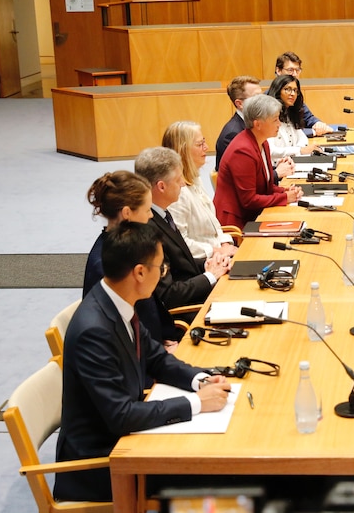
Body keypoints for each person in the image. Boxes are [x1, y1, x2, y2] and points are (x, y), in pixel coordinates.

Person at [55, 222, 230, 502]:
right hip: (103, 461)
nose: (163, 275)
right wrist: (197, 403)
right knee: (222, 471)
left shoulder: (117, 300)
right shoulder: (94, 330)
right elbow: (121, 416)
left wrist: (201, 379)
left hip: (127, 438)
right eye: (161, 268)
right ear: (139, 272)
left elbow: (157, 359)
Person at [83, 170, 181, 350]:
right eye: (147, 210)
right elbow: (120, 336)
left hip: (156, 344)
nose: (151, 215)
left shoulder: (130, 246)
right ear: (127, 213)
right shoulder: (105, 267)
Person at [135, 147, 231, 311]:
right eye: (178, 179)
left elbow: (180, 261)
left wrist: (209, 264)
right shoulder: (147, 230)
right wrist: (210, 276)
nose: (183, 183)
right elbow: (168, 295)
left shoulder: (163, 213)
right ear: (161, 186)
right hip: (188, 311)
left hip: (197, 291)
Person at [214, 94, 303, 229]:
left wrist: (283, 190)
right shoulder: (242, 151)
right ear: (257, 124)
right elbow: (249, 200)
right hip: (236, 222)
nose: (279, 124)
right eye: (275, 120)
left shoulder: (263, 143)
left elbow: (262, 187)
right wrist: (285, 197)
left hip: (254, 213)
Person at [163, 121, 238, 259]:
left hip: (220, 254)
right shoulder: (176, 193)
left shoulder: (195, 178)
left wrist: (225, 243)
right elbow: (181, 243)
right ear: (183, 151)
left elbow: (214, 225)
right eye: (199, 144)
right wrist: (216, 250)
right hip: (204, 263)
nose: (206, 147)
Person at [274, 51, 332, 137]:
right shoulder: (269, 99)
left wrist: (318, 124)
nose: (294, 74)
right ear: (278, 70)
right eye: (290, 70)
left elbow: (308, 117)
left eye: (297, 70)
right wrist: (313, 132)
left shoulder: (295, 96)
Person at [266, 75, 322, 157]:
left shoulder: (291, 113)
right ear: (277, 91)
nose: (292, 94)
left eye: (295, 90)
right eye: (287, 89)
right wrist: (299, 150)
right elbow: (270, 150)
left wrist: (302, 149)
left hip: (293, 162)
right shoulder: (268, 116)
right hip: (276, 166)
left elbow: (302, 138)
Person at [215, 75, 263, 170]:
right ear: (239, 104)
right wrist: (277, 173)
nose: (263, 101)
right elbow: (244, 172)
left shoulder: (253, 124)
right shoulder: (232, 134)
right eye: (256, 97)